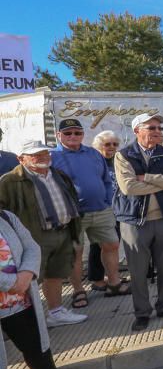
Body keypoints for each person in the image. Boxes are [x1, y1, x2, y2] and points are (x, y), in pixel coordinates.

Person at [1, 208, 93, 369]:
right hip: (13, 289)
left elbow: (31, 246)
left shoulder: (6, 216)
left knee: (35, 344)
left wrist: (26, 274)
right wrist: (12, 283)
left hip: (19, 299)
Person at [0, 141, 86, 328]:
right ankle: (26, 321)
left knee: (55, 273)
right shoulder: (9, 181)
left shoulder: (58, 174)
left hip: (63, 231)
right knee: (30, 279)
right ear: (21, 159)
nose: (42, 157)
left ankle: (55, 313)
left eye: (44, 153)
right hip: (33, 237)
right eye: (35, 155)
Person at [114, 114, 163, 332]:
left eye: (160, 128)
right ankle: (142, 313)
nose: (158, 131)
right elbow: (128, 188)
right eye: (152, 127)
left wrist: (146, 177)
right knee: (138, 271)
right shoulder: (123, 155)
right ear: (137, 130)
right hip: (135, 221)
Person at [50, 119, 128, 305]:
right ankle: (78, 291)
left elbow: (106, 180)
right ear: (58, 135)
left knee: (111, 246)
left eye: (77, 133)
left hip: (101, 210)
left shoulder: (93, 153)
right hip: (72, 215)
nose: (73, 137)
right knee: (75, 253)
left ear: (83, 135)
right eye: (68, 133)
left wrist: (107, 200)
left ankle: (114, 283)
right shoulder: (52, 156)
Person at [86, 130, 123, 289]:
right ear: (98, 146)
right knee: (98, 246)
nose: (112, 147)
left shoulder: (119, 161)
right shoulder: (92, 162)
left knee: (113, 245)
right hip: (101, 208)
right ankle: (97, 280)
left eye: (115, 144)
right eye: (107, 144)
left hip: (119, 208)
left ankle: (112, 276)